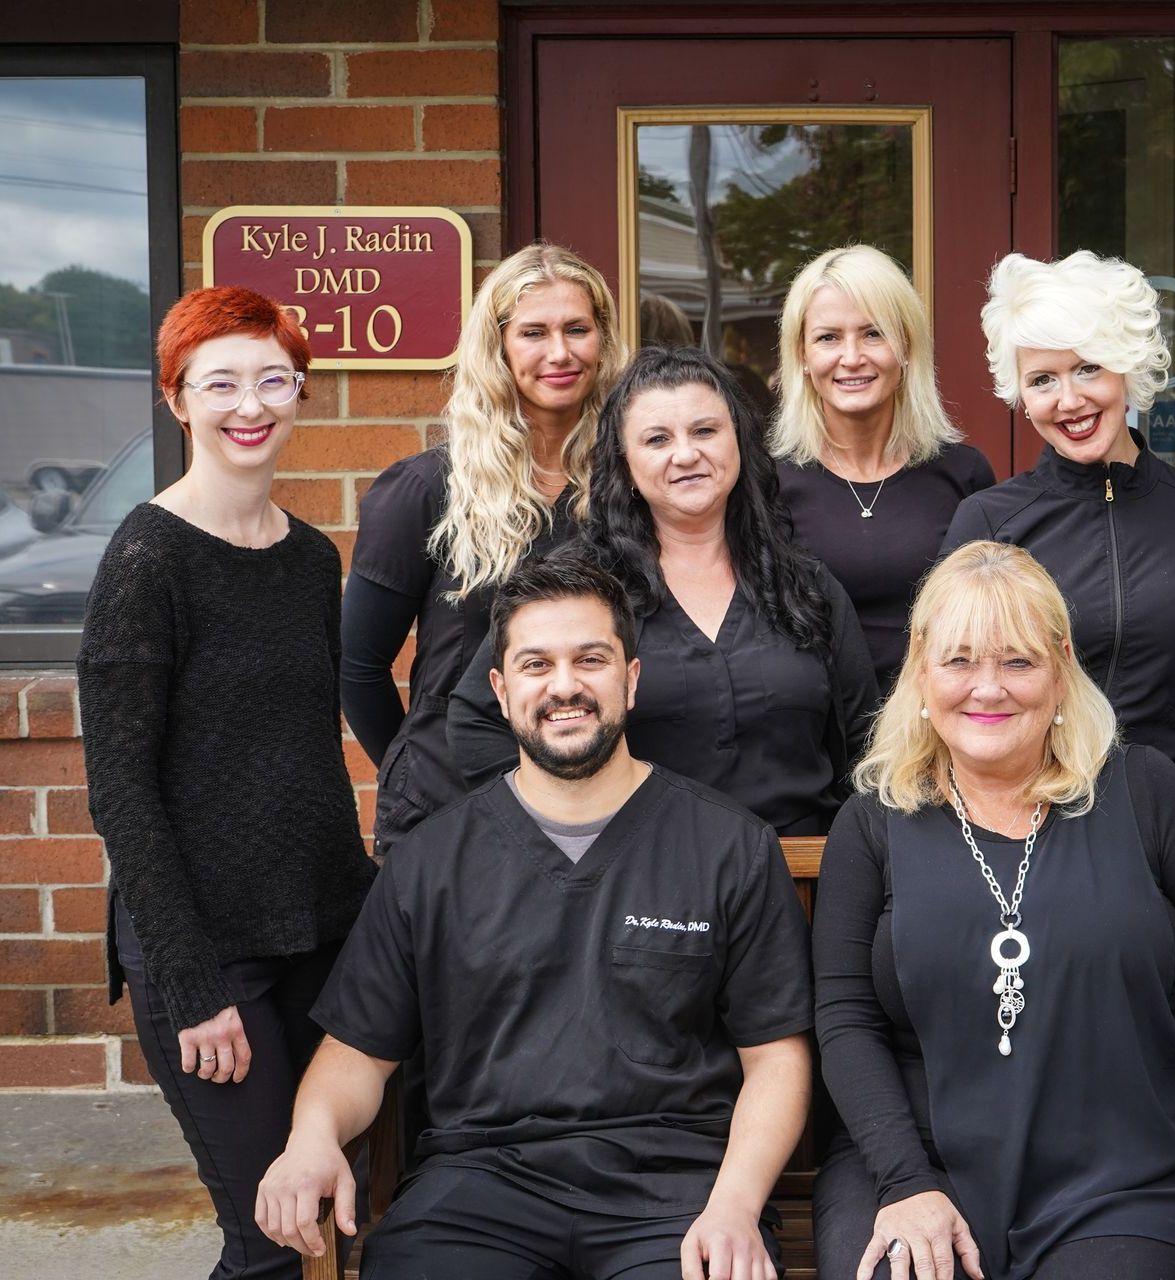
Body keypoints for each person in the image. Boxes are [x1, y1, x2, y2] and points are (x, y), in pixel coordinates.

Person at [256, 549, 815, 1279]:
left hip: (675, 1196)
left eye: (590, 659)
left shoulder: (728, 846)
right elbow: (357, 1052)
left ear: (631, 679)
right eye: (536, 664)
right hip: (478, 1194)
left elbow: (777, 1059)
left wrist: (736, 1206)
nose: (565, 687)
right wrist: (312, 1136)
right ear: (500, 687)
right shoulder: (431, 862)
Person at [810, 540, 1175, 1280]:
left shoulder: (1146, 792)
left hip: (1125, 1180)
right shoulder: (874, 821)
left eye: (1017, 661)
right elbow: (846, 1017)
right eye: (959, 661)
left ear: (1060, 667)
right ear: (920, 670)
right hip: (920, 1166)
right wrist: (905, 1182)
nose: (989, 688)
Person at [78, 286, 376, 1280]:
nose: (250, 404)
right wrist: (191, 982)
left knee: (339, 1215)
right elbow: (121, 789)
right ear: (179, 399)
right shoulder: (148, 557)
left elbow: (301, 755)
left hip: (319, 935)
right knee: (272, 1241)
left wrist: (370, 921)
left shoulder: (308, 560)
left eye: (273, 380)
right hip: (209, 960)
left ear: (298, 393)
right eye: (221, 382)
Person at [450, 345, 879, 836]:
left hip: (799, 881)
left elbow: (868, 745)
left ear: (739, 441)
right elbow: (476, 725)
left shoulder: (806, 586)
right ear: (625, 463)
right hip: (633, 885)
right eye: (657, 439)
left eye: (705, 431)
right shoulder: (576, 588)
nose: (686, 454)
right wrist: (562, 839)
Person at [342, 242, 625, 851]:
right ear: (497, 346)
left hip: (595, 806)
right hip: (449, 811)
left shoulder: (626, 489)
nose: (559, 352)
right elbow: (357, 666)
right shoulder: (425, 490)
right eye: (533, 332)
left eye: (577, 329)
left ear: (602, 342)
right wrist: (416, 763)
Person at [941, 251, 1175, 799]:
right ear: (1022, 398)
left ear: (1126, 369)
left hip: (1173, 820)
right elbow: (945, 685)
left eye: (1088, 368)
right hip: (1030, 822)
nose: (1069, 400)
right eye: (1042, 380)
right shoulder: (988, 522)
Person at [771, 245, 994, 692]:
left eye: (873, 333)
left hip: (939, 732)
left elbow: (988, 622)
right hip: (815, 740)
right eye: (828, 337)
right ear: (801, 355)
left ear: (907, 346)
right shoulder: (766, 483)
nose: (851, 357)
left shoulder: (964, 475)